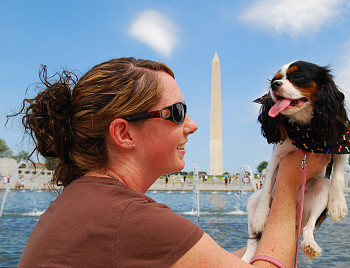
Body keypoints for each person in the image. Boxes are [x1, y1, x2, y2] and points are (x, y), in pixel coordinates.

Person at [17, 57, 329, 267]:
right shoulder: (126, 217)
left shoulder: (92, 202)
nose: (192, 125)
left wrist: (288, 223)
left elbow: (213, 261)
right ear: (124, 133)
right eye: (177, 112)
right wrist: (288, 183)